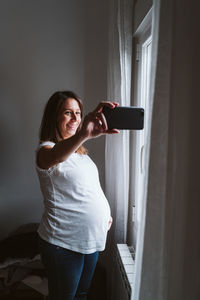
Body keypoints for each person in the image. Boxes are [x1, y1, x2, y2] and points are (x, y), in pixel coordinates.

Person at [36, 91, 119, 300]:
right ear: (54, 117)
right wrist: (84, 133)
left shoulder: (80, 154)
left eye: (78, 113)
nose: (75, 119)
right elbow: (56, 156)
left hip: (89, 239)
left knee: (81, 295)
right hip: (63, 242)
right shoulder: (46, 150)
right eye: (68, 113)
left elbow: (87, 188)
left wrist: (103, 215)